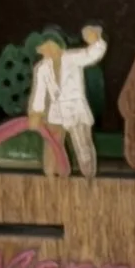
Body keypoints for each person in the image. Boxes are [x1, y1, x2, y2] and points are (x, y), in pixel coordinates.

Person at [28, 23, 106, 178]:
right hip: (56, 111)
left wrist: (96, 40)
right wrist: (36, 113)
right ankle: (53, 173)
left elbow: (91, 54)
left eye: (48, 47)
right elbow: (40, 92)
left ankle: (89, 175)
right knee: (52, 143)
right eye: (43, 49)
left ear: (57, 45)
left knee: (83, 145)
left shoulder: (72, 58)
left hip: (75, 109)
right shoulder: (42, 68)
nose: (45, 51)